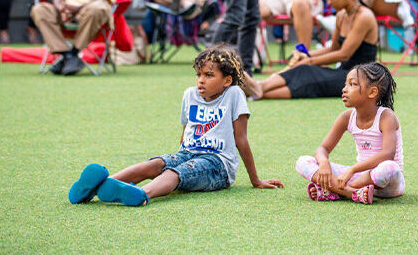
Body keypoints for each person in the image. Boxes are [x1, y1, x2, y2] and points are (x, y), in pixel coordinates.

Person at [67, 45, 283, 207]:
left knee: (174, 173)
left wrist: (256, 180)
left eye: (209, 75)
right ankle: (98, 186)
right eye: (199, 74)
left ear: (227, 81)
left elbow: (241, 140)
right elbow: (186, 132)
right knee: (154, 164)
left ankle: (142, 195)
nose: (201, 80)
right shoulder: (190, 94)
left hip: (218, 165)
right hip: (188, 152)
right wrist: (177, 155)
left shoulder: (234, 94)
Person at [242, 0, 378, 100]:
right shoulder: (342, 15)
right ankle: (259, 88)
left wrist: (308, 61)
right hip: (345, 73)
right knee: (304, 69)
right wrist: (307, 55)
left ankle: (258, 90)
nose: (329, 2)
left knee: (308, 73)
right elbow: (333, 49)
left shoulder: (364, 17)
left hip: (362, 80)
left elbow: (343, 55)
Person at [295, 62, 403, 205]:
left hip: (387, 183)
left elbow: (387, 154)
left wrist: (352, 170)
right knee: (303, 162)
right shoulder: (346, 117)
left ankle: (337, 191)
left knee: (389, 167)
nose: (344, 89)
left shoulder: (386, 117)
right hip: (359, 178)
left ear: (372, 92)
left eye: (352, 84)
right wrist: (324, 163)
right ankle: (352, 193)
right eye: (345, 84)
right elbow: (323, 149)